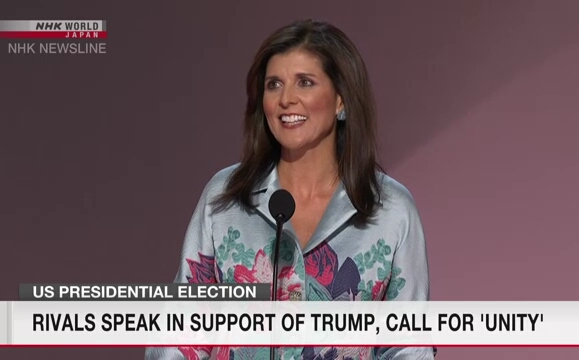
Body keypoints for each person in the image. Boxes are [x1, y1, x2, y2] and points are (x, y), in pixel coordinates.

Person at [146, 19, 433, 360]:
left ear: (341, 100)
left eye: (305, 83)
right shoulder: (224, 198)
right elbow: (178, 337)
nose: (286, 99)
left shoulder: (391, 209)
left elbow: (408, 347)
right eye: (274, 85)